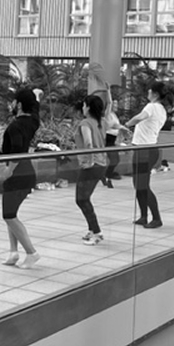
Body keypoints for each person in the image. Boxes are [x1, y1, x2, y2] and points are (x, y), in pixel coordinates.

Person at [1, 88, 42, 269]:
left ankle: (31, 252)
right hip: (26, 172)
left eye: (13, 101)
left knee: (9, 216)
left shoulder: (16, 126)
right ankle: (13, 252)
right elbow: (36, 111)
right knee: (11, 214)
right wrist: (37, 97)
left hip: (17, 174)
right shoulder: (32, 122)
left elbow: (17, 149)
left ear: (18, 105)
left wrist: (9, 170)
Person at [121, 81, 168, 229]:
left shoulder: (152, 106)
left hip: (144, 150)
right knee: (139, 185)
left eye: (149, 91)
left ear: (155, 94)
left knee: (142, 185)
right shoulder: (162, 109)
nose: (147, 93)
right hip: (147, 149)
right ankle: (143, 216)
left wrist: (126, 125)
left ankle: (156, 218)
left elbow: (140, 117)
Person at [73, 95, 107, 245]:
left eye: (84, 105)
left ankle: (97, 232)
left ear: (88, 107)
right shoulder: (101, 122)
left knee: (81, 199)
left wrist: (90, 161)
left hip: (92, 165)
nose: (82, 108)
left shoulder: (85, 123)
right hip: (101, 163)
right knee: (84, 199)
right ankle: (92, 230)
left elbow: (88, 142)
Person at [102, 90, 122, 187]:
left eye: (117, 104)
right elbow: (109, 102)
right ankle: (107, 177)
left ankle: (106, 176)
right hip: (108, 139)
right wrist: (108, 90)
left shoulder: (114, 115)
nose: (116, 106)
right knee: (114, 160)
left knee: (116, 160)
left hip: (113, 139)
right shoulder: (108, 114)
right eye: (115, 104)